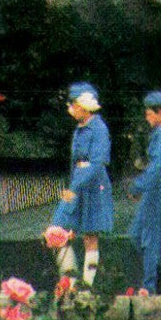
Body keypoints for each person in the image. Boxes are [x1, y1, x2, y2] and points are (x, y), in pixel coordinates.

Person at [51, 82, 114, 286]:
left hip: (93, 186)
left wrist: (73, 188)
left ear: (85, 106)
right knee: (57, 230)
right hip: (77, 182)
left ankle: (87, 284)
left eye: (74, 104)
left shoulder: (99, 129)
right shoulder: (79, 129)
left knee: (90, 236)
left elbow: (97, 163)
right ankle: (69, 277)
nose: (71, 109)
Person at [128, 89, 161, 293]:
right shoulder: (160, 133)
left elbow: (158, 168)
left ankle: (149, 287)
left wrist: (138, 186)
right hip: (153, 185)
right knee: (136, 235)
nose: (146, 117)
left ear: (160, 112)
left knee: (149, 237)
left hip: (157, 186)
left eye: (149, 113)